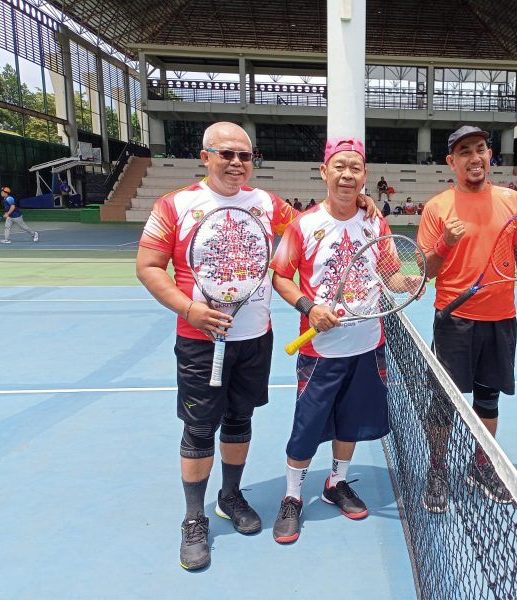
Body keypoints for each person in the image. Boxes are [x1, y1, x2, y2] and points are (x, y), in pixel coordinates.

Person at [136, 123, 378, 570]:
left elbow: (317, 221)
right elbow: (148, 265)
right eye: (225, 154)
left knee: (238, 419)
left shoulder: (268, 205)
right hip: (199, 341)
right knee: (198, 428)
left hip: (254, 340)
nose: (236, 164)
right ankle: (194, 518)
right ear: (204, 156)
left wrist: (359, 199)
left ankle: (230, 495)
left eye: (244, 156)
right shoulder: (173, 205)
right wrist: (189, 309)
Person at [270, 137, 416, 544]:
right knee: (306, 429)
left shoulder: (375, 222)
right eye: (340, 166)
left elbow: (390, 273)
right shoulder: (304, 225)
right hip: (320, 351)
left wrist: (411, 282)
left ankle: (336, 483)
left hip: (368, 346)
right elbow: (280, 274)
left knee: (350, 423)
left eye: (355, 167)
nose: (348, 174)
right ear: (324, 172)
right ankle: (293, 496)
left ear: (365, 176)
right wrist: (307, 306)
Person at [415, 125, 517, 513]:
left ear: (490, 155)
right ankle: (437, 470)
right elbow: (427, 271)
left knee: (488, 400)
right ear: (451, 161)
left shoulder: (511, 200)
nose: (475, 157)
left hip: (501, 318)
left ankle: (481, 465)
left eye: (481, 149)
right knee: (443, 404)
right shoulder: (437, 207)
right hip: (454, 319)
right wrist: (445, 244)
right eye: (465, 151)